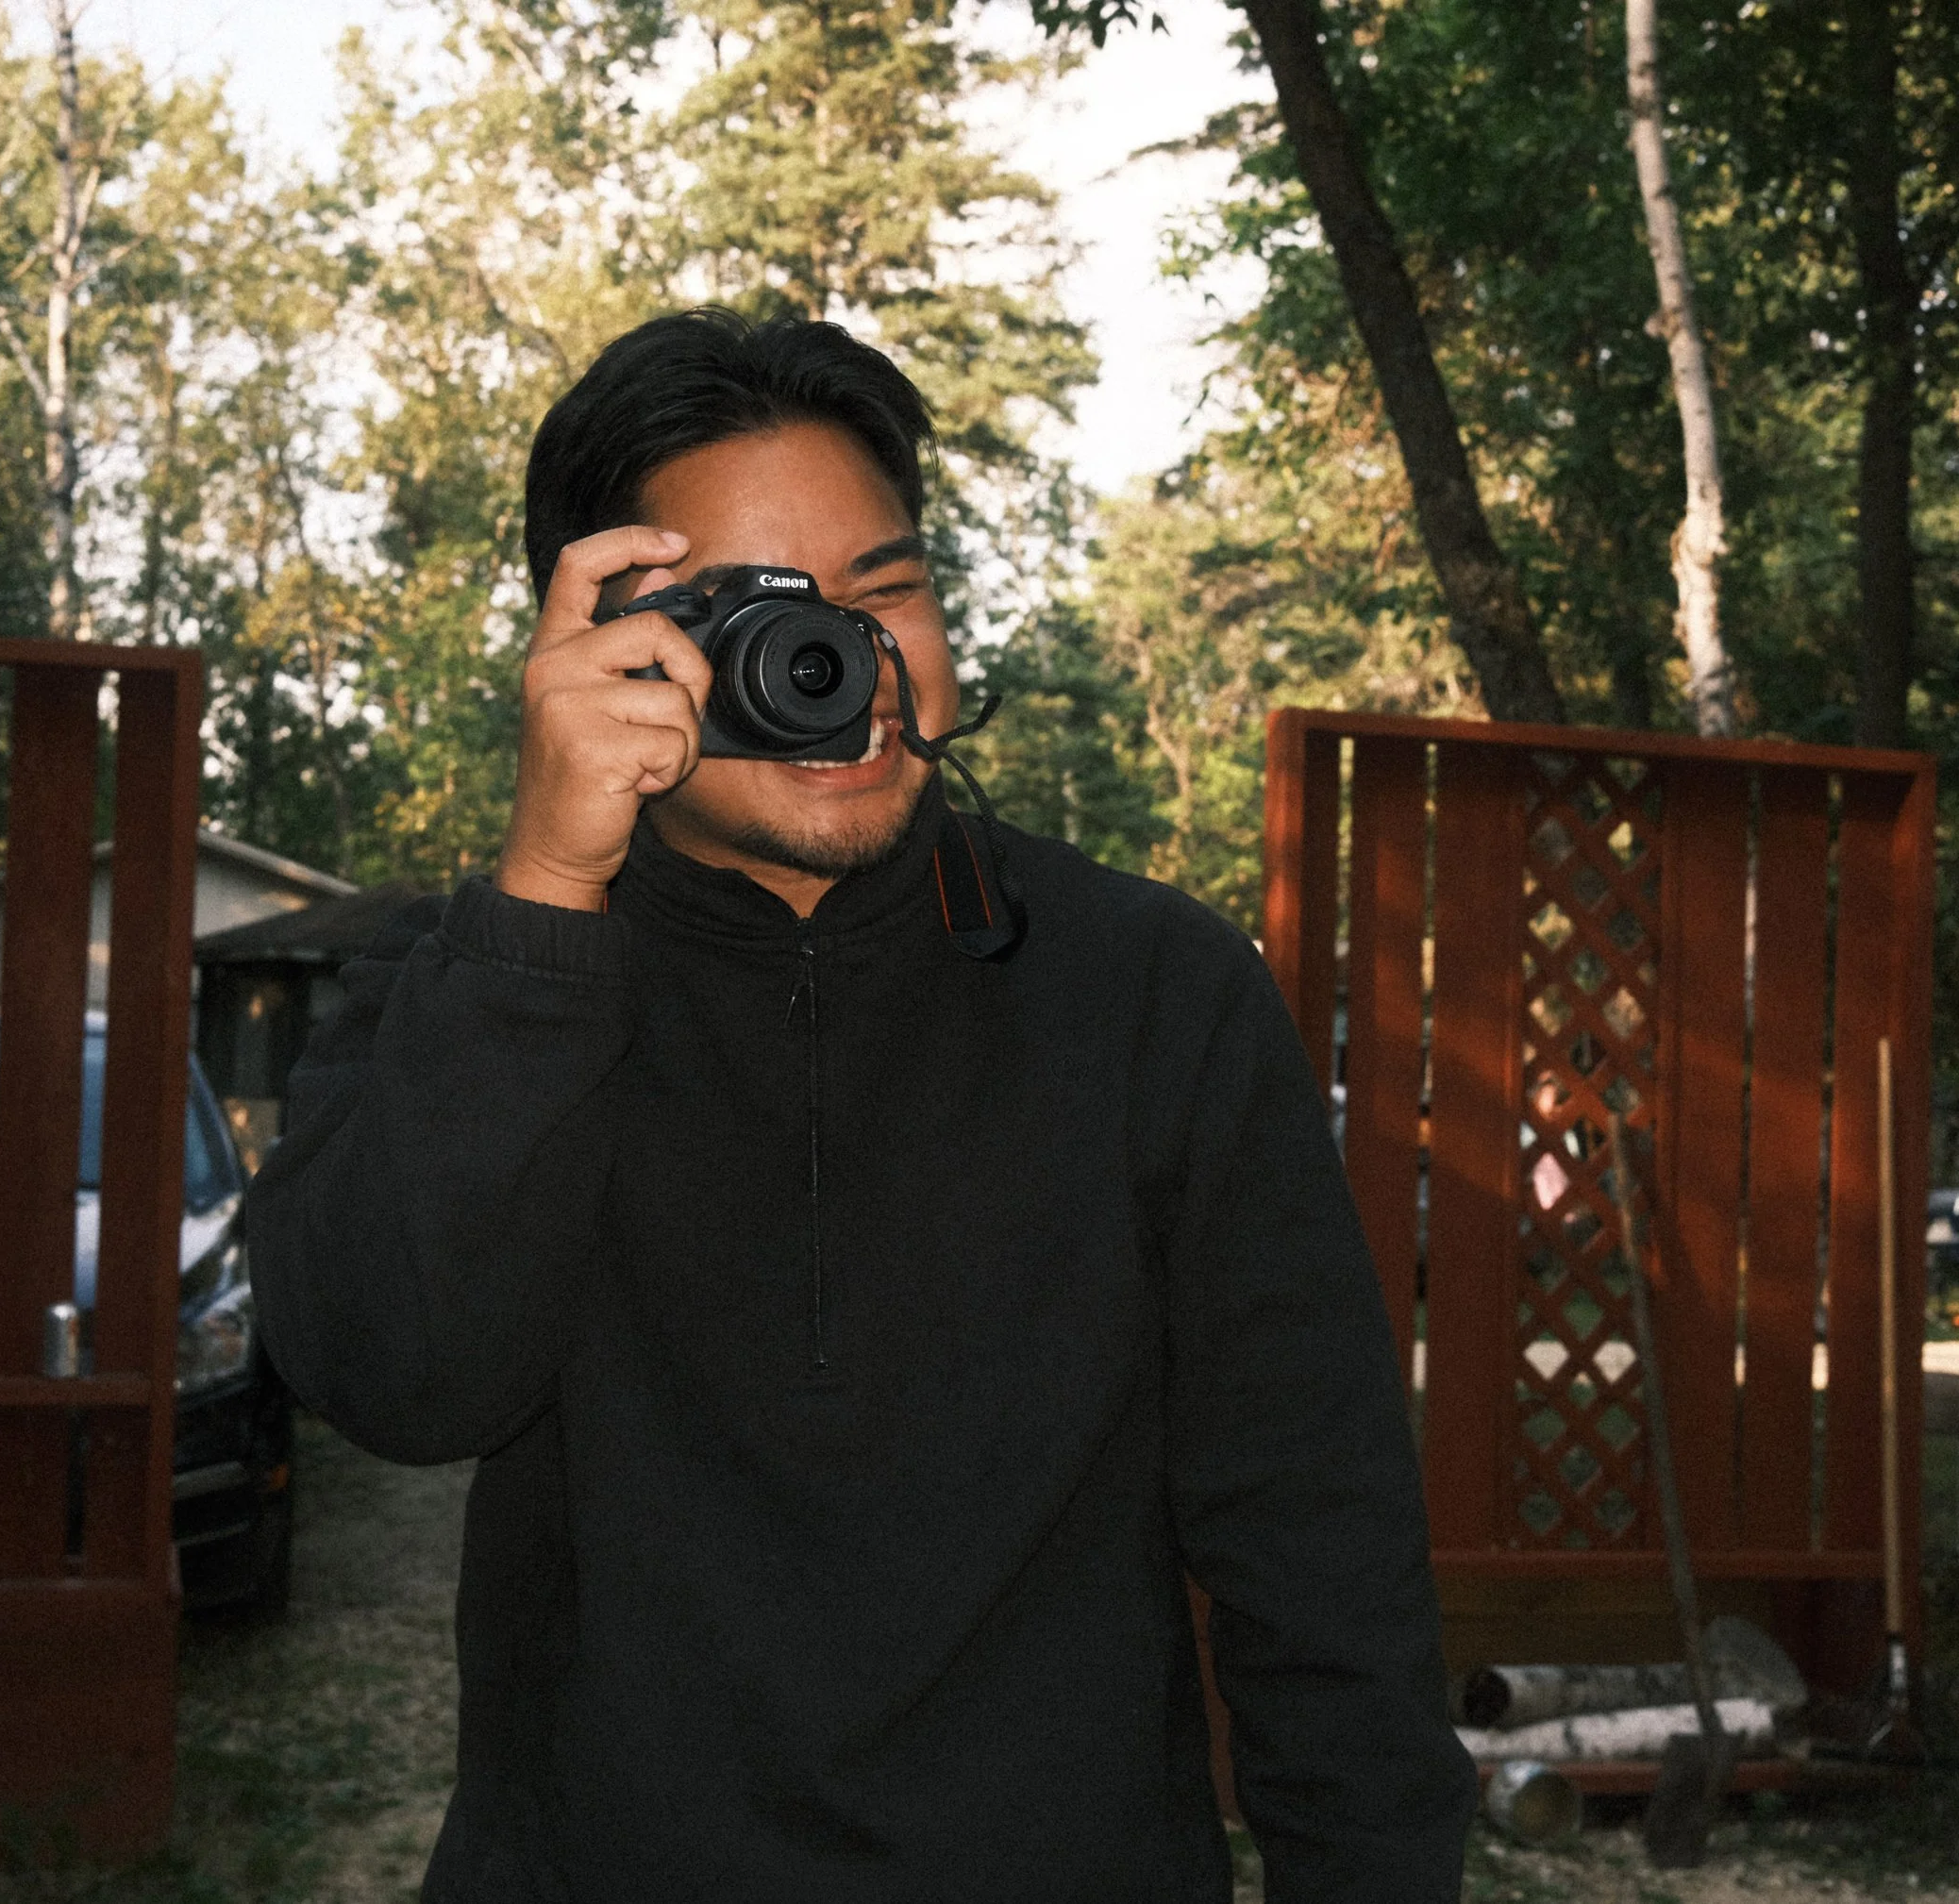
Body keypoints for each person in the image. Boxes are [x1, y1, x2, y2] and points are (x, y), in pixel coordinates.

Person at [245, 308, 1476, 1902]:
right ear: (601, 646)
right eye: (756, 613)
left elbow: (1323, 1559)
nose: (845, 661)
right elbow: (395, 1386)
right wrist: (550, 893)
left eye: (885, 591)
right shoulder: (473, 978)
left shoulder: (1155, 993)